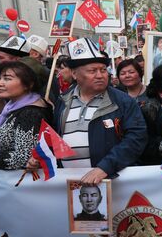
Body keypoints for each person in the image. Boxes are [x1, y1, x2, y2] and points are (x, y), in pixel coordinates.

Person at [27, 38, 147, 184]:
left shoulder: (122, 101)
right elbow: (54, 137)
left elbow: (136, 138)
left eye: (103, 70)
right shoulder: (63, 100)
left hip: (110, 182)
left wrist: (105, 168)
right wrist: (42, 157)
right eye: (92, 71)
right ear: (75, 74)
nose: (100, 75)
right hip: (68, 182)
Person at [0, 61, 52, 170]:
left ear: (28, 84)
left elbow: (22, 157)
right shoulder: (12, 107)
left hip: (19, 183)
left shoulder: (31, 113)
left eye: (7, 79)